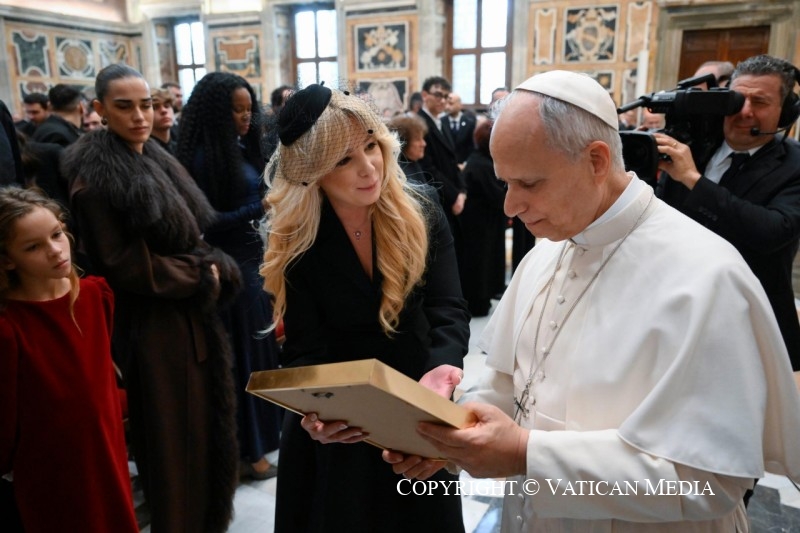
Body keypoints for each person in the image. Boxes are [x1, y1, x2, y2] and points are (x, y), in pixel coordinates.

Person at [384, 70, 800, 531]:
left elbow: (708, 483)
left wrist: (527, 453)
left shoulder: (706, 277)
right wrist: (447, 436)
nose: (509, 207)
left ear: (597, 161)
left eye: (529, 183)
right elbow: (513, 391)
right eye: (506, 183)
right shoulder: (546, 254)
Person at [261, 83, 470, 532]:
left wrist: (444, 369)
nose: (369, 167)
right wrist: (312, 415)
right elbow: (304, 349)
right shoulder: (298, 238)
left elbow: (448, 307)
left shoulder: (422, 208)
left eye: (371, 145)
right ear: (313, 171)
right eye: (343, 160)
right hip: (344, 416)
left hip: (418, 395)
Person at [60, 63, 240, 533]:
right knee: (172, 446)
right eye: (125, 107)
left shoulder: (153, 157)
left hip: (187, 314)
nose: (140, 115)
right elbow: (124, 266)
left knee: (200, 436)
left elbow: (188, 234)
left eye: (147, 104)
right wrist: (203, 273)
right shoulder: (97, 178)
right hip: (153, 327)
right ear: (98, 110)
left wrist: (207, 268)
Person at [0, 186, 138, 533]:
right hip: (51, 465)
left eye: (57, 235)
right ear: (7, 259)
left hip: (105, 449)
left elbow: (101, 374)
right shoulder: (9, 328)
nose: (55, 251)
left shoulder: (95, 294)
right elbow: (6, 416)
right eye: (33, 247)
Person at [657, 54, 800, 372]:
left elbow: (771, 231)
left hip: (749, 323)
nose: (745, 111)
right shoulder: (692, 148)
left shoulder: (794, 165)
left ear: (785, 112)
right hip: (675, 311)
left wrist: (694, 181)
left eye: (760, 102)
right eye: (738, 99)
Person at [176, 71, 282, 481]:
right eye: (236, 110)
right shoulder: (204, 158)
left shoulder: (236, 148)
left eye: (248, 109)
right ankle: (251, 453)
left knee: (259, 357)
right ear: (217, 113)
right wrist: (261, 206)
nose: (245, 117)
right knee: (247, 363)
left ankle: (259, 443)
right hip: (233, 268)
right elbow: (208, 223)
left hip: (253, 262)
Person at [458, 119, 507, 316]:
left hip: (483, 223)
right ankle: (479, 303)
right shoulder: (482, 164)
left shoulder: (480, 160)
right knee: (481, 266)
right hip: (480, 225)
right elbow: (497, 196)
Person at [387, 113, 428, 183]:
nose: (424, 144)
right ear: (403, 141)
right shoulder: (402, 175)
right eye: (417, 139)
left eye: (422, 138)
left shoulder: (412, 162)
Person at [443, 92, 477, 166]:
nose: (447, 107)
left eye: (451, 103)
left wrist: (465, 164)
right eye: (446, 103)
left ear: (459, 105)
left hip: (464, 165)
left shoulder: (469, 123)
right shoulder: (441, 122)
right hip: (446, 166)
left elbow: (472, 147)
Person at [149, 87, 177, 154]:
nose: (164, 111)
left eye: (167, 106)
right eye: (155, 107)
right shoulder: (144, 149)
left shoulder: (181, 144)